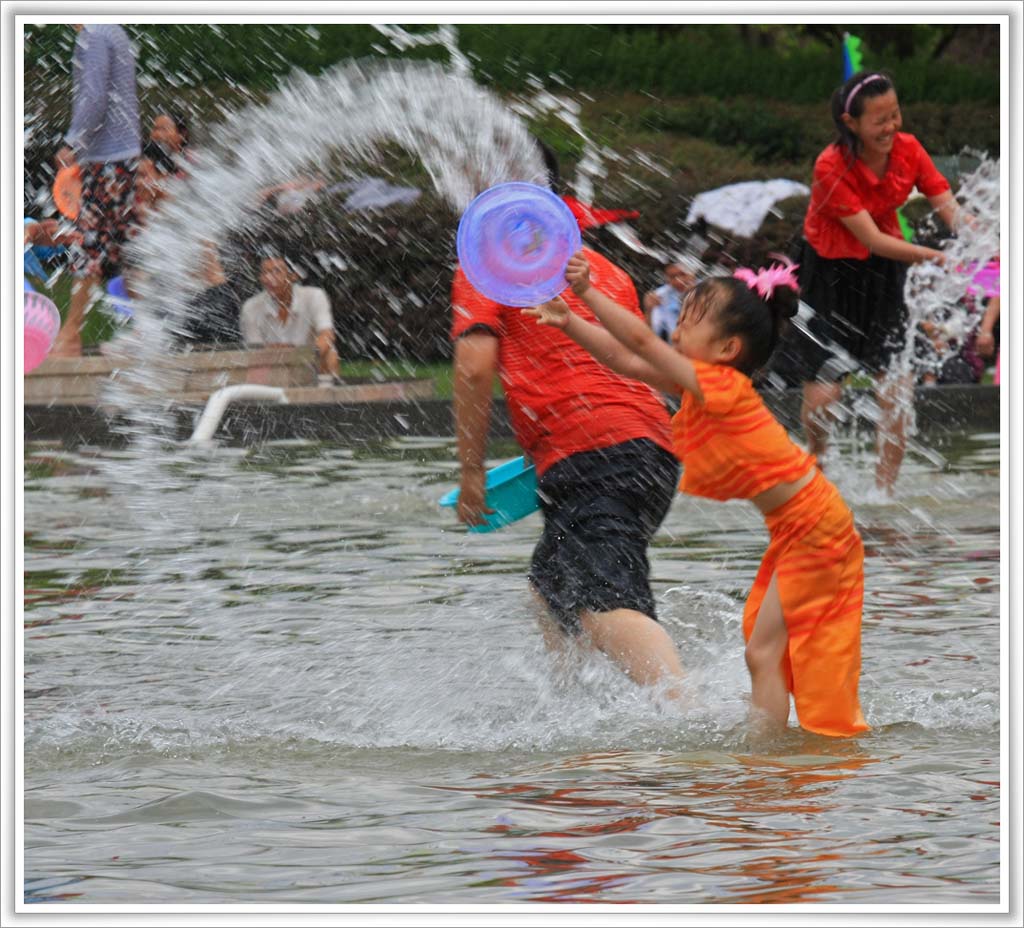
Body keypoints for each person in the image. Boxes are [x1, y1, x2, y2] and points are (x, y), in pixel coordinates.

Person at [524, 251, 868, 738]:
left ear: (728, 348)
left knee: (765, 651)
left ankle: (769, 751)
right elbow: (624, 358)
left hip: (818, 530)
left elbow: (641, 339)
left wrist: (586, 293)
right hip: (800, 529)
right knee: (763, 647)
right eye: (680, 316)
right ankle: (769, 744)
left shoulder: (718, 385)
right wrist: (569, 323)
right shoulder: (702, 385)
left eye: (690, 320)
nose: (677, 329)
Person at [451, 246, 685, 697]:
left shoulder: (488, 259)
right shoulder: (603, 266)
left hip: (594, 451)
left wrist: (471, 470)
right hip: (650, 449)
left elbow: (474, 369)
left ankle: (691, 716)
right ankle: (574, 711)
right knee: (551, 586)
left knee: (603, 598)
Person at [769, 70, 969, 494]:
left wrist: (978, 237)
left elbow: (945, 202)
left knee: (897, 387)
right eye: (879, 120)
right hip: (830, 276)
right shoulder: (830, 164)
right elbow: (871, 238)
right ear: (851, 123)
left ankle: (885, 493)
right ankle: (818, 466)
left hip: (884, 275)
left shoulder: (909, 148)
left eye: (895, 114)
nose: (891, 127)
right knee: (825, 394)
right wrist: (937, 256)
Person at [52, 23, 141, 357]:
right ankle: (148, 331)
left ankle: (70, 335)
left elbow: (94, 96)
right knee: (127, 247)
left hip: (106, 159)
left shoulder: (94, 34)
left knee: (87, 246)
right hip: (124, 157)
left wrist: (73, 143)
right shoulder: (113, 30)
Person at [239, 255, 340, 378]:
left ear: (293, 276)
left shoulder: (314, 296)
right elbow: (254, 350)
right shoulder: (251, 307)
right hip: (271, 366)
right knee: (255, 364)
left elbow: (327, 335)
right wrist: (281, 353)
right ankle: (260, 395)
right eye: (265, 272)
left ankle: (327, 393)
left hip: (308, 363)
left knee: (330, 353)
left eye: (276, 271)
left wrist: (301, 356)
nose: (269, 278)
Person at [643, 263, 698, 342]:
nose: (679, 281)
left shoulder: (709, 291)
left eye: (683, 274)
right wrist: (649, 311)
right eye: (673, 277)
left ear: (693, 274)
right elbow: (650, 336)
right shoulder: (659, 297)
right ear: (667, 279)